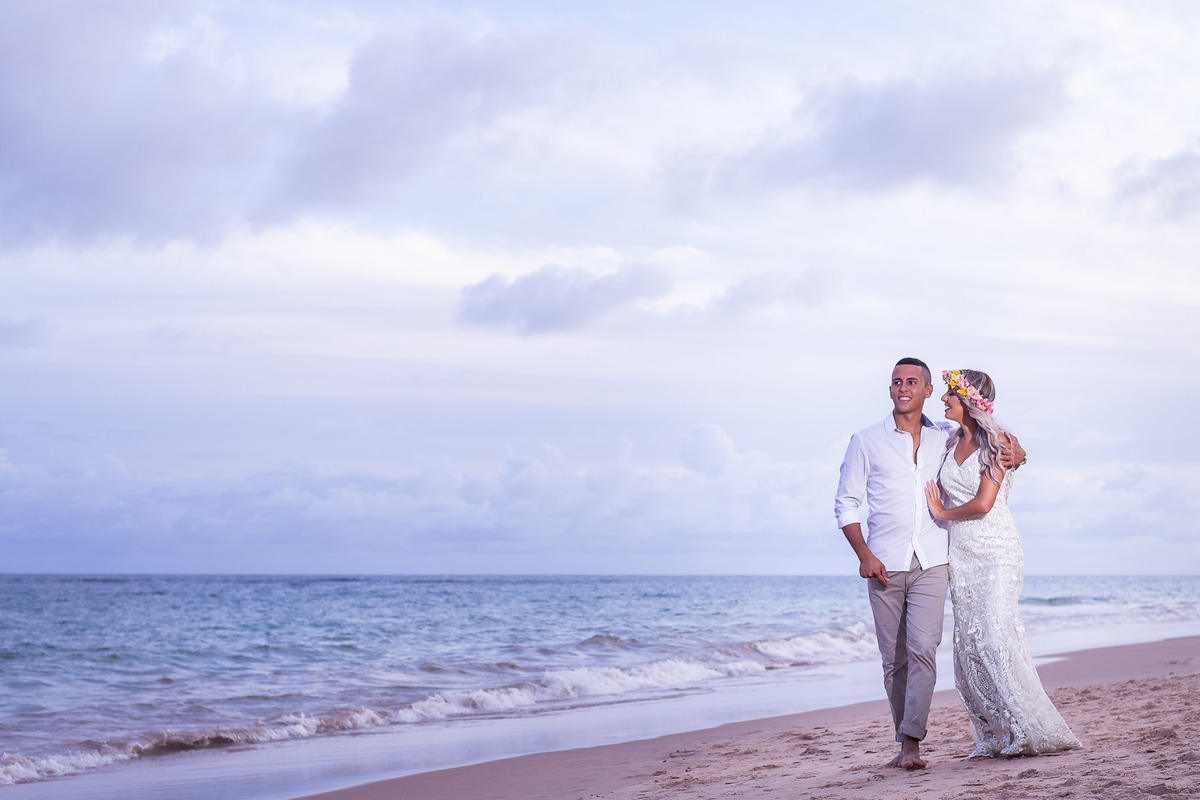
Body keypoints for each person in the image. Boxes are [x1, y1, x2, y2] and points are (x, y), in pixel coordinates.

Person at [834, 357, 1023, 770]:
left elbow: (995, 437)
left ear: (925, 390)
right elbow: (846, 503)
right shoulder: (865, 441)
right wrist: (864, 555)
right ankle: (903, 738)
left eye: (913, 382)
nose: (904, 388)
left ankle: (912, 743)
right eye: (897, 382)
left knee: (923, 649)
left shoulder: (946, 436)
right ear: (890, 391)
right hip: (885, 561)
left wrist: (1019, 454)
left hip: (935, 560)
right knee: (894, 660)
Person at [924, 369, 1079, 758]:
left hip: (997, 552)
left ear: (970, 400)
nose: (943, 399)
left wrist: (941, 511)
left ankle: (1030, 729)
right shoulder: (946, 440)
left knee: (995, 637)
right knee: (969, 648)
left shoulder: (999, 443)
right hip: (961, 555)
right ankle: (995, 734)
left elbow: (984, 503)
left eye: (949, 394)